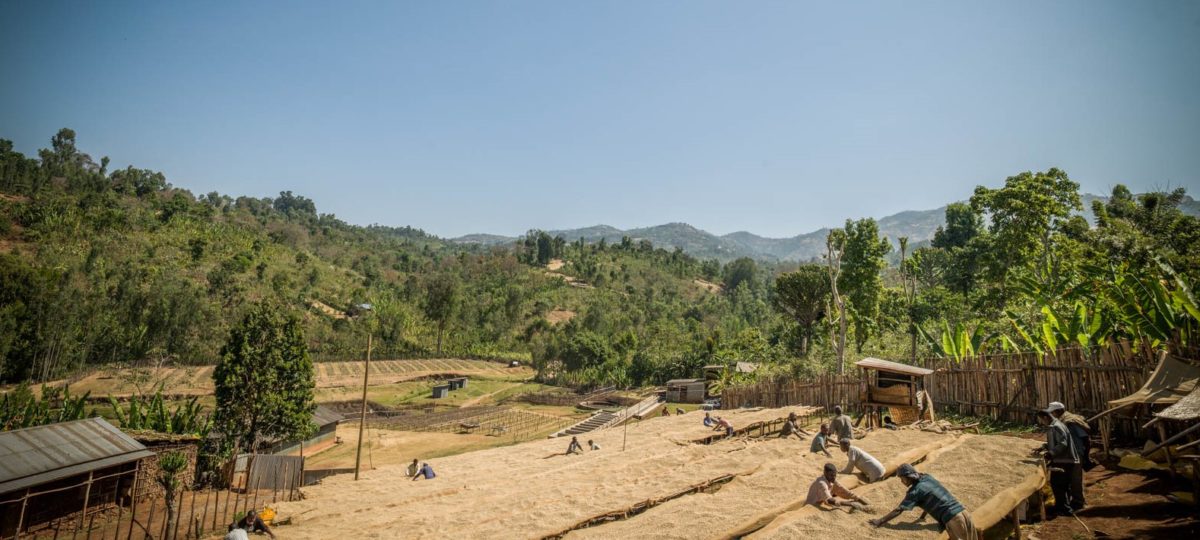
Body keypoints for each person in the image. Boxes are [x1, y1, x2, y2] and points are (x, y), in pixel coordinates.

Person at [869, 464, 977, 540]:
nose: (902, 482)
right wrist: (922, 517)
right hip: (964, 513)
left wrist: (880, 521)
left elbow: (898, 510)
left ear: (908, 477)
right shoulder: (927, 477)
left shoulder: (914, 492)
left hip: (953, 519)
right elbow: (930, 498)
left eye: (902, 479)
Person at [1034, 406, 1081, 515]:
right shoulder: (1056, 425)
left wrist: (1051, 454)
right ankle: (1064, 506)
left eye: (1041, 420)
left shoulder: (1056, 426)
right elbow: (1057, 442)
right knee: (1063, 485)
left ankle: (1064, 509)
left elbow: (1063, 444)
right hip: (1064, 460)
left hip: (1064, 460)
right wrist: (1044, 447)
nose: (1041, 422)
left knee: (1058, 485)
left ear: (1045, 417)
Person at [806, 463, 870, 511]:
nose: (833, 477)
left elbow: (844, 491)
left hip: (823, 502)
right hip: (812, 506)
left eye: (834, 475)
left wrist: (859, 499)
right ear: (825, 473)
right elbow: (829, 500)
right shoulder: (821, 483)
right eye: (831, 475)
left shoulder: (832, 480)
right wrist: (850, 504)